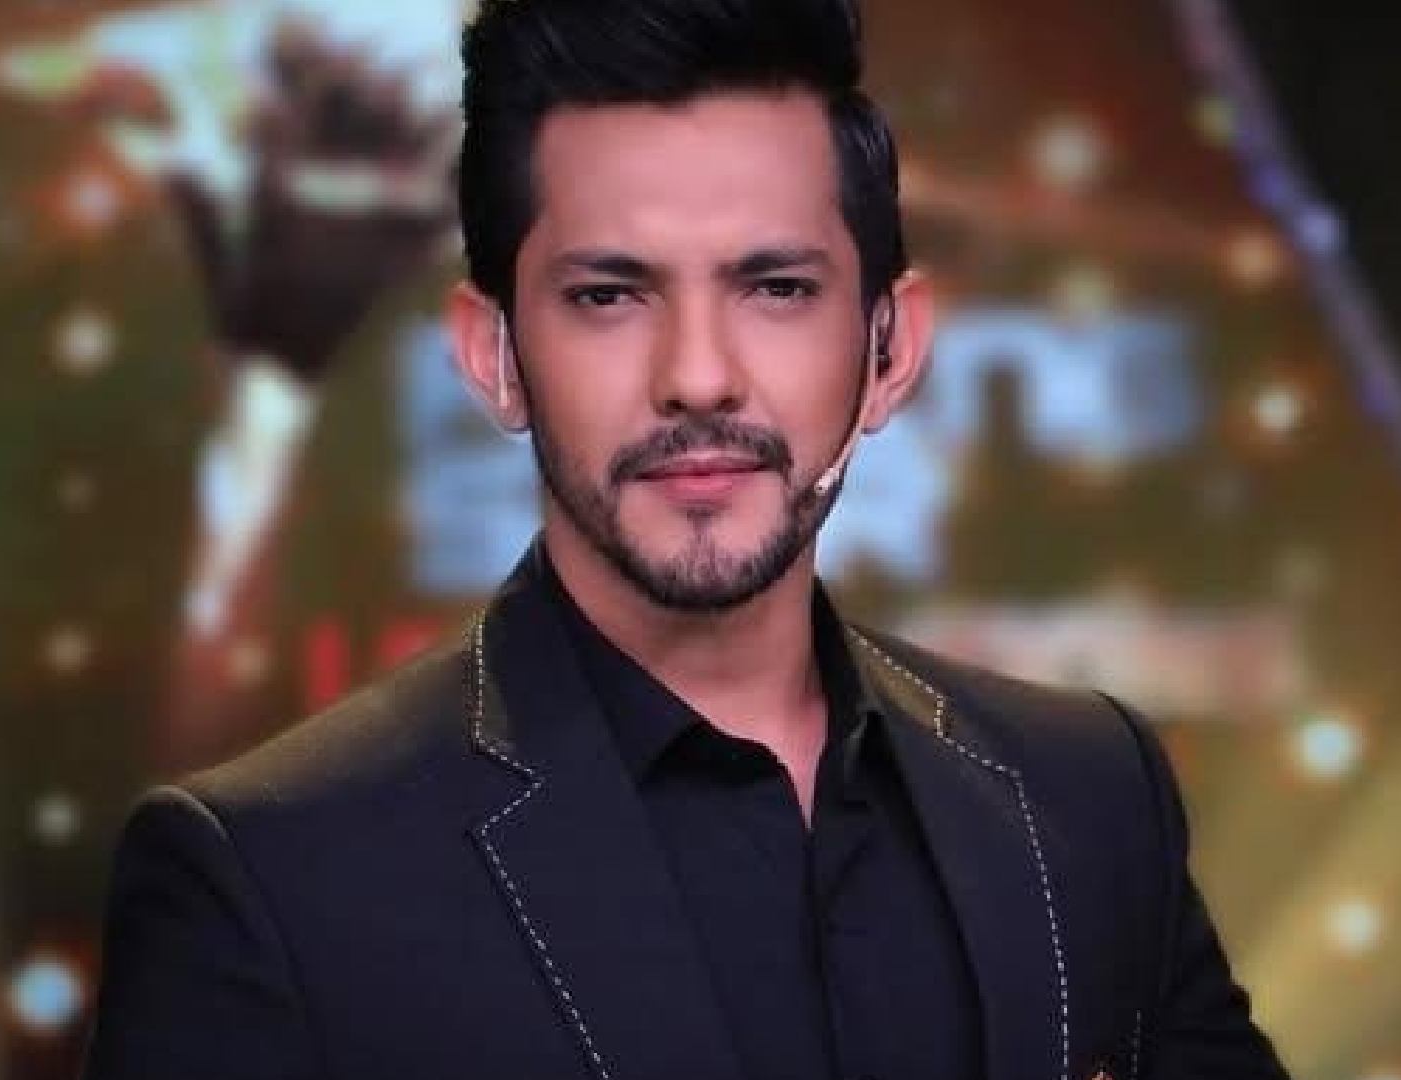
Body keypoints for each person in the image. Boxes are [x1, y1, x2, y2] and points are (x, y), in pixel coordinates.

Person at [82, 1, 1292, 1077]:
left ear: (891, 348)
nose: (699, 376)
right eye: (609, 296)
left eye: (777, 288)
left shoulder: (1086, 795)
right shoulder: (273, 881)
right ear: (494, 357)